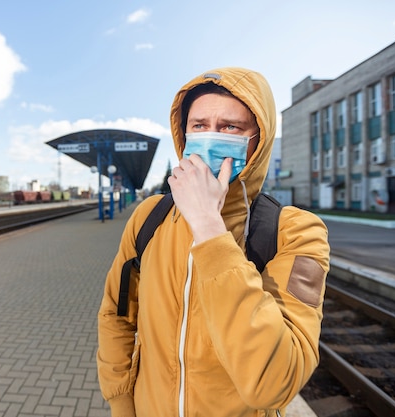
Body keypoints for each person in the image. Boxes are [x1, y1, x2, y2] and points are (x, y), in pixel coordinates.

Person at [97, 67, 330, 417]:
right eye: (199, 125)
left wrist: (209, 228)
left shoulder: (295, 232)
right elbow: (116, 315)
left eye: (230, 127)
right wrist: (121, 403)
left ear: (259, 140)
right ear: (183, 132)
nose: (210, 137)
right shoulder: (149, 216)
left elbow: (276, 381)